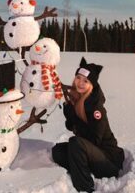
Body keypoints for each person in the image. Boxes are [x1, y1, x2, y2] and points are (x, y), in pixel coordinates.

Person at [52, 57, 125, 192]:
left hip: (109, 160)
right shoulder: (78, 99)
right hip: (93, 155)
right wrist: (69, 112)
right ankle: (82, 169)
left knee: (76, 143)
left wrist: (75, 122)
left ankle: (85, 188)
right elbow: (71, 126)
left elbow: (94, 140)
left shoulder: (96, 109)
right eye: (78, 78)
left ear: (91, 85)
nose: (80, 83)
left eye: (85, 81)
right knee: (57, 151)